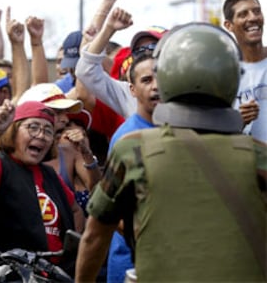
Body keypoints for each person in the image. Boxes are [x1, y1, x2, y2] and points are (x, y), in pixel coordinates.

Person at [75, 22, 267, 282]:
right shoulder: (258, 157)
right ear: (234, 78)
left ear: (166, 79)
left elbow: (95, 236)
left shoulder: (133, 150)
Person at [0, 100, 84, 275]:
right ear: (13, 131)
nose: (41, 136)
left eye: (48, 131)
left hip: (55, 274)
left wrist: (72, 249)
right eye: (33, 127)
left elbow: (75, 209)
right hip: (13, 274)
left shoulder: (49, 174)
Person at [107, 53, 158, 283]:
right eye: (146, 80)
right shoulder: (125, 138)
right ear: (133, 90)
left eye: (160, 77)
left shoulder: (181, 130)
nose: (156, 86)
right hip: (130, 264)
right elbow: (110, 212)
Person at [223, 0, 266, 143]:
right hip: (249, 163)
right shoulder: (223, 75)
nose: (253, 18)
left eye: (257, 11)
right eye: (243, 14)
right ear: (229, 25)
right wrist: (239, 121)